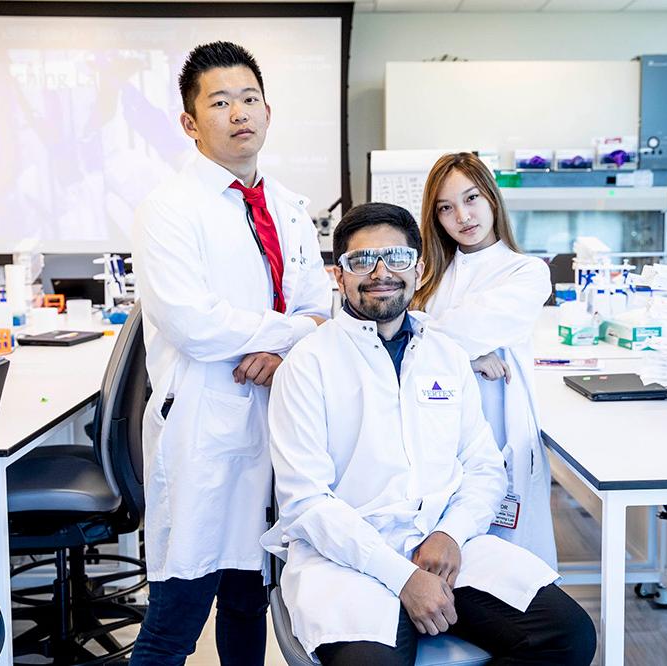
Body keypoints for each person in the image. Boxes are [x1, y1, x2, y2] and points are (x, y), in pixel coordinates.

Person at [263, 203, 596, 666]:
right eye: (362, 262)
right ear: (338, 277)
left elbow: (482, 466)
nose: (381, 272)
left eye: (397, 258)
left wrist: (451, 534)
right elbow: (306, 502)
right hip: (347, 559)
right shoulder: (308, 364)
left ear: (418, 269)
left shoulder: (446, 354)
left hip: (444, 548)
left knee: (568, 636)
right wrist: (401, 577)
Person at [130, 41, 332, 665]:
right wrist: (289, 331)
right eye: (220, 102)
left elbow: (320, 308)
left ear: (268, 111)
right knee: (177, 615)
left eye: (249, 99)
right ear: (191, 123)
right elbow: (194, 324)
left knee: (250, 606)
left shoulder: (289, 209)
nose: (239, 112)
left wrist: (283, 347)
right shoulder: (169, 209)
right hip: (205, 430)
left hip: (279, 427)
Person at [411, 152, 557, 568]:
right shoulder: (428, 278)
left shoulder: (526, 272)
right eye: (446, 207)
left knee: (509, 568)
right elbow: (399, 336)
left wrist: (442, 339)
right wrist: (468, 356)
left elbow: (433, 331)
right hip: (436, 435)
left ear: (492, 198)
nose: (463, 215)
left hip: (500, 435)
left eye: (471, 198)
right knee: (440, 557)